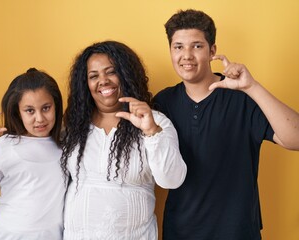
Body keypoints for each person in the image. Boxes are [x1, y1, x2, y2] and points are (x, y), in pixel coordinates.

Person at [153, 9, 299, 240]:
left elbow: (296, 139)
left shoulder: (243, 97)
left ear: (212, 51)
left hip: (238, 233)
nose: (187, 55)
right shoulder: (163, 102)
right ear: (170, 51)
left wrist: (252, 87)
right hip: (180, 233)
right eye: (178, 46)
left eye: (197, 46)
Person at [60, 40, 187, 239]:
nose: (103, 81)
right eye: (93, 76)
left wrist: (151, 131)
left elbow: (172, 180)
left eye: (111, 72)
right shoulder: (74, 126)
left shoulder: (155, 121)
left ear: (126, 75)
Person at [0, 68, 66, 240]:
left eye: (46, 108)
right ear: (18, 111)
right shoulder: (5, 146)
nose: (40, 118)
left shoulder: (67, 145)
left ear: (56, 106)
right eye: (29, 110)